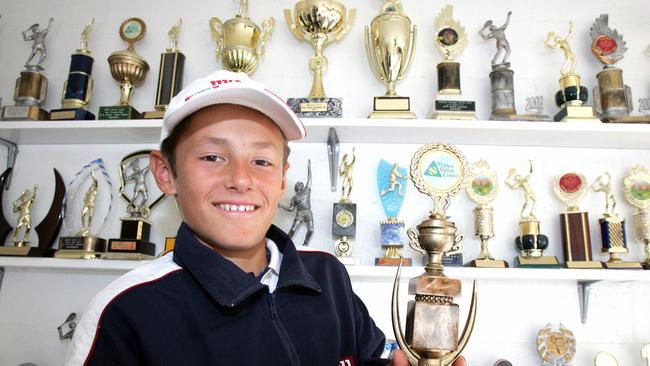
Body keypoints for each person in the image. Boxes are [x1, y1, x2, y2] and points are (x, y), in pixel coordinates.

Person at [64, 70, 467, 365]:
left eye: (261, 160)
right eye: (211, 157)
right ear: (166, 173)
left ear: (281, 180)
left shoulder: (328, 276)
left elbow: (370, 357)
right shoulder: (125, 311)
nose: (241, 179)